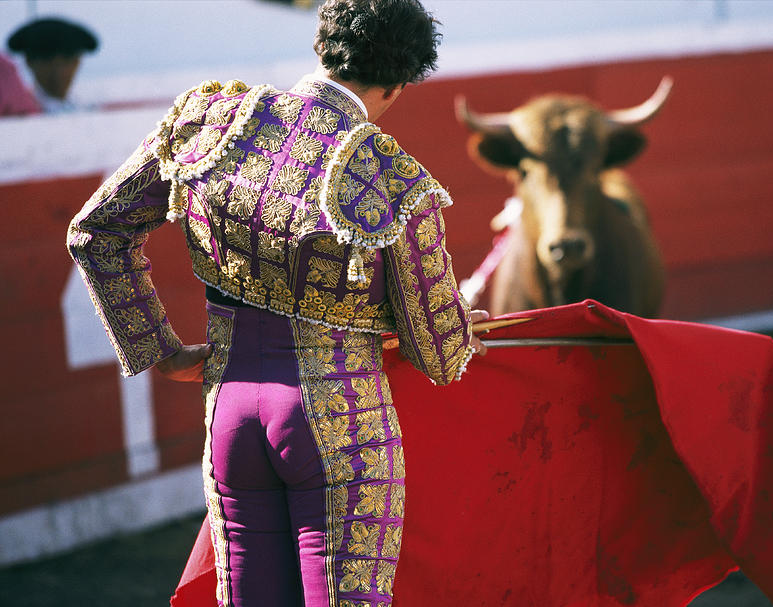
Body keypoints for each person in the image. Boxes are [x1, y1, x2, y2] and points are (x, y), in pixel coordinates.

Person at [66, 1, 486, 605]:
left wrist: (156, 349)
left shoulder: (206, 118)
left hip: (229, 413)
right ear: (398, 84)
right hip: (341, 419)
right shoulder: (392, 180)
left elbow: (95, 231)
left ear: (323, 48)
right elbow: (440, 356)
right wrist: (455, 328)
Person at [6, 17, 98, 113]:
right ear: (29, 62)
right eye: (47, 60)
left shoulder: (84, 109)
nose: (58, 71)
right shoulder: (16, 112)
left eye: (67, 60)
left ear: (78, 62)